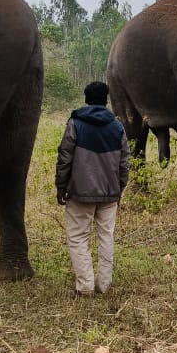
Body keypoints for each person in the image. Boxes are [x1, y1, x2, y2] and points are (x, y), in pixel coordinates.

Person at [56, 81, 130, 297]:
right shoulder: (117, 127)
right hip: (109, 193)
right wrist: (119, 190)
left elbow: (64, 158)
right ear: (106, 100)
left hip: (80, 193)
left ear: (86, 99)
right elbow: (124, 163)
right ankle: (104, 284)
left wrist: (61, 186)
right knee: (106, 236)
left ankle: (85, 285)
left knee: (78, 237)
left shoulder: (75, 123)